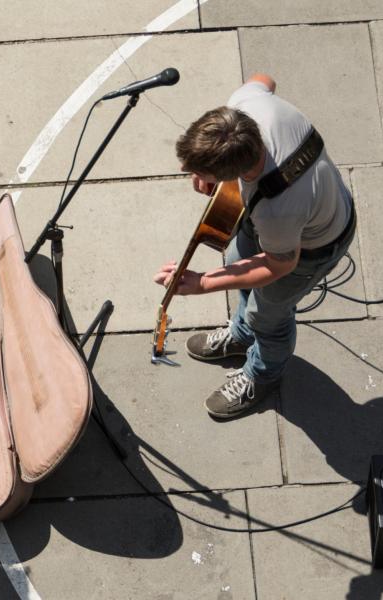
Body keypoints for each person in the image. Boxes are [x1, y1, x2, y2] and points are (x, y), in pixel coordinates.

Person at [153, 73, 355, 419]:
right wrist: (207, 171)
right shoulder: (248, 107)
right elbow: (265, 79)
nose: (186, 171)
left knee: (269, 314)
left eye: (201, 172)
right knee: (235, 258)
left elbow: (280, 264)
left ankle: (262, 375)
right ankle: (241, 334)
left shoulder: (279, 210)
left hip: (312, 244)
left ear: (236, 172)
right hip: (280, 218)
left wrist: (203, 283)